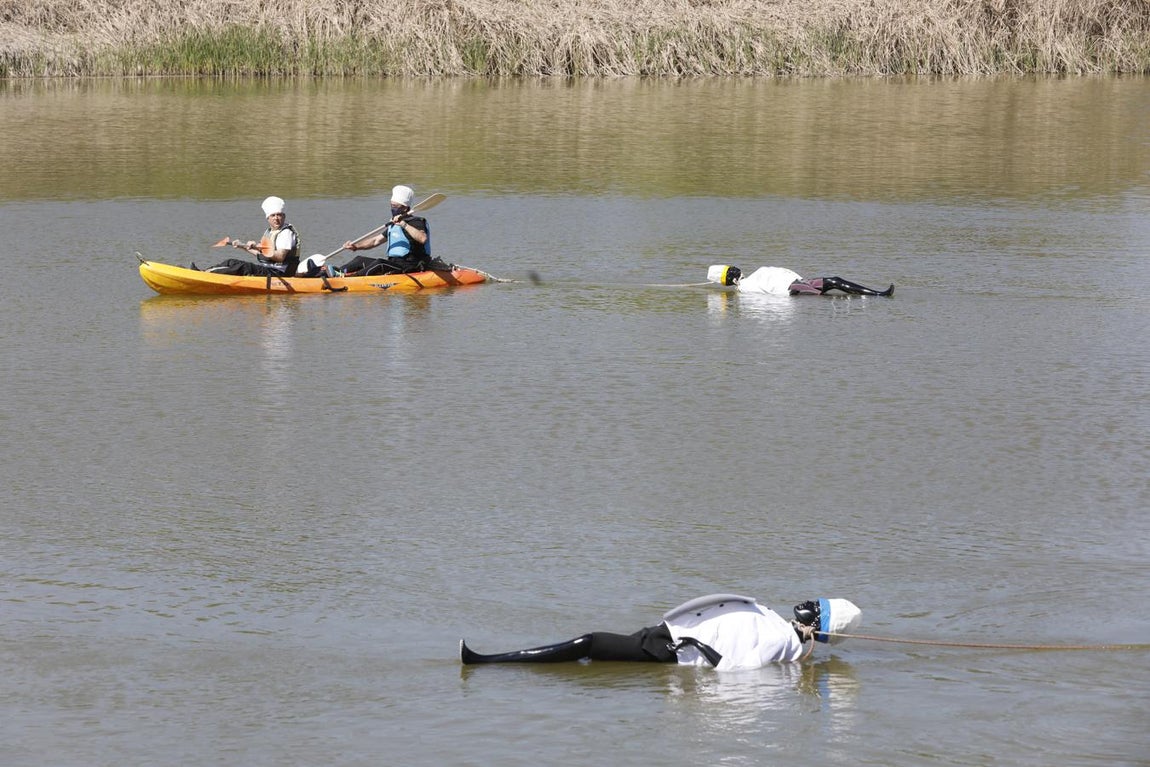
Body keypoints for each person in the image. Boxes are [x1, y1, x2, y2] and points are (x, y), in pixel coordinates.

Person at [460, 594, 862, 670]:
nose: (807, 604)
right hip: (666, 634)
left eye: (816, 608)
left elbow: (736, 667)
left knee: (589, 643)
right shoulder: (775, 621)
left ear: (818, 625)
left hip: (671, 649)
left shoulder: (782, 642)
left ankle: (487, 662)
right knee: (591, 648)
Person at [337, 185, 432, 276]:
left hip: (410, 266)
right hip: (393, 264)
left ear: (405, 208)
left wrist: (404, 224)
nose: (392, 209)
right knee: (359, 260)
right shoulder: (394, 224)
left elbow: (423, 238)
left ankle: (352, 279)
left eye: (395, 206)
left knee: (380, 263)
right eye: (391, 205)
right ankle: (337, 272)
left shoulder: (415, 222)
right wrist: (355, 246)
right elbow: (375, 241)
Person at [199, 196, 300, 277]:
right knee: (231, 262)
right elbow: (261, 255)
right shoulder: (269, 232)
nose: (276, 218)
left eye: (279, 215)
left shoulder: (286, 233)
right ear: (268, 218)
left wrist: (258, 247)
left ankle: (206, 276)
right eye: (273, 215)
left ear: (284, 216)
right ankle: (202, 272)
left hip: (279, 273)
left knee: (242, 266)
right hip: (268, 270)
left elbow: (280, 257)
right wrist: (242, 246)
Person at [708, 265, 894, 297]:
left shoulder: (751, 278)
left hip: (799, 281)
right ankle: (877, 295)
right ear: (729, 278)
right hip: (793, 288)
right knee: (822, 296)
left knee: (835, 281)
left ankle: (877, 294)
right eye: (731, 271)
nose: (736, 269)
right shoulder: (745, 288)